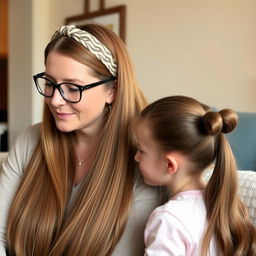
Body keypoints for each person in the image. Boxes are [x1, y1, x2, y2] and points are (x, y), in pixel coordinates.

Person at [0, 24, 161, 256]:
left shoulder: (144, 161)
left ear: (112, 91)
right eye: (50, 83)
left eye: (72, 87)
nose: (55, 100)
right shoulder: (31, 141)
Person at [131, 96, 256, 256]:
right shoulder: (224, 204)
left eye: (141, 151)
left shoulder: (169, 219)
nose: (136, 157)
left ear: (170, 164)